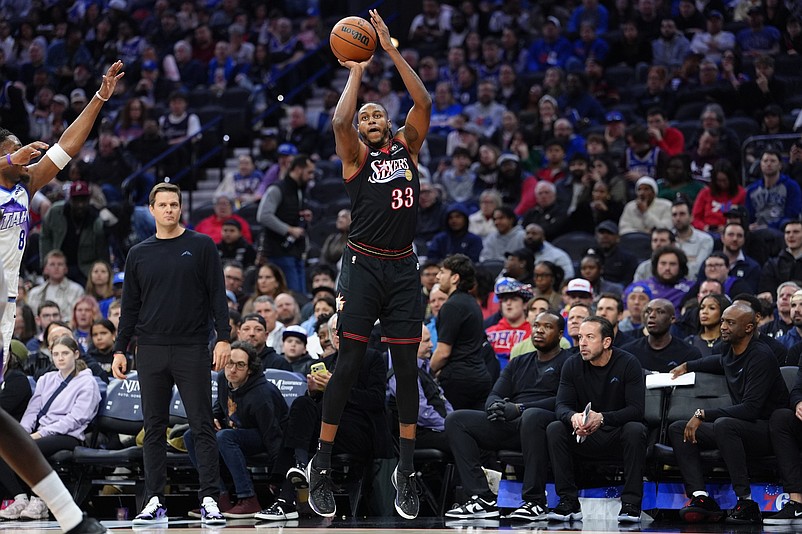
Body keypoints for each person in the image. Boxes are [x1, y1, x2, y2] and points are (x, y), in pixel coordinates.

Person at [305, 9, 432, 521]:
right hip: (362, 266)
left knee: (406, 370)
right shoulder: (355, 158)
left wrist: (390, 49)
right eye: (367, 118)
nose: (372, 120)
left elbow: (422, 100)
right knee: (350, 363)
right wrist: (357, 67)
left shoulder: (409, 146)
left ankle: (405, 468)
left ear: (390, 123)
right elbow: (339, 120)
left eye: (379, 115)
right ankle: (321, 460)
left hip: (403, 269)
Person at [111, 182, 231, 526]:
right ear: (151, 210)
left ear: (181, 208)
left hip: (192, 347)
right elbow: (129, 307)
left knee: (202, 424)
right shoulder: (138, 253)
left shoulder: (202, 245)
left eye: (174, 204)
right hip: (149, 348)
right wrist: (120, 348)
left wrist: (222, 338)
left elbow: (217, 296)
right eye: (162, 205)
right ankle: (153, 500)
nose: (168, 210)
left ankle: (209, 496)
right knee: (153, 427)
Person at [0, 63, 122, 364]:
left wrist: (99, 98)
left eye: (26, 152)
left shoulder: (24, 184)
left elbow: (67, 145)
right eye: (18, 153)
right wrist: (11, 158)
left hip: (7, 294)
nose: (27, 157)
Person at [669, 303, 789, 524]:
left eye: (730, 323)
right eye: (723, 320)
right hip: (739, 429)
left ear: (749, 328)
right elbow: (718, 362)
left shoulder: (761, 356)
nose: (723, 326)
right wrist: (687, 366)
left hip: (767, 430)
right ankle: (701, 497)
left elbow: (751, 409)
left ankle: (746, 502)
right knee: (677, 428)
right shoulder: (729, 350)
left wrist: (703, 414)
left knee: (725, 424)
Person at [445, 311, 571, 521]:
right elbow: (494, 394)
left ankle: (535, 501)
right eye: (537, 325)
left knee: (532, 416)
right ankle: (482, 497)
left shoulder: (569, 361)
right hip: (514, 424)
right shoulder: (518, 362)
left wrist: (520, 408)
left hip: (546, 426)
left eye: (547, 327)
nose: (539, 330)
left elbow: (562, 400)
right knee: (456, 420)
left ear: (560, 334)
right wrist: (496, 407)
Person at [546, 316, 646, 523]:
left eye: (590, 337)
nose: (582, 342)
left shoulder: (628, 363)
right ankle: (568, 501)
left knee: (635, 429)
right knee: (555, 427)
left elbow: (636, 410)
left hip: (615, 435)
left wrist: (602, 418)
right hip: (584, 436)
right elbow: (560, 405)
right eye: (581, 337)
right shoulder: (572, 364)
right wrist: (572, 417)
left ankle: (630, 504)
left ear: (606, 342)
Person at [0, 336, 100, 522]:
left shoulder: (88, 382)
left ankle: (40, 501)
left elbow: (76, 419)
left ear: (76, 354)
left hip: (69, 435)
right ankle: (20, 498)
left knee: (32, 447)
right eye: (55, 354)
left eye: (65, 353)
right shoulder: (46, 379)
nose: (60, 358)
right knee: (6, 446)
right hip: (42, 432)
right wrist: (21, 432)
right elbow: (33, 410)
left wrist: (39, 434)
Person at [184, 340, 287, 519]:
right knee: (193, 435)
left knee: (225, 437)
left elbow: (273, 435)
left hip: (263, 436)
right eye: (230, 363)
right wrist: (215, 416)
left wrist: (278, 476)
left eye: (240, 365)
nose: (232, 369)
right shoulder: (224, 379)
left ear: (250, 369)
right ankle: (216, 496)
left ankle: (248, 499)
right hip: (237, 432)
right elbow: (221, 404)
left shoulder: (262, 395)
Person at [432, 254, 494, 410]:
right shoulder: (471, 302)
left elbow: (443, 353)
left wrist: (426, 373)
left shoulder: (452, 306)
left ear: (455, 278)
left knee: (452, 429)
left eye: (442, 272)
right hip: (480, 377)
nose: (437, 277)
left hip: (458, 381)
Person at [256, 154, 315, 293]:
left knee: (301, 296)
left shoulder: (300, 190)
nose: (311, 176)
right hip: (279, 251)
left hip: (296, 251)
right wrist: (288, 229)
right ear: (298, 169)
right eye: (309, 172)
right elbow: (263, 216)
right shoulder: (277, 189)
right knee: (292, 295)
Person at [622, 298, 701, 372]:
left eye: (660, 312)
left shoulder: (689, 354)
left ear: (672, 319)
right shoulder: (628, 352)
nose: (652, 315)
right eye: (648, 311)